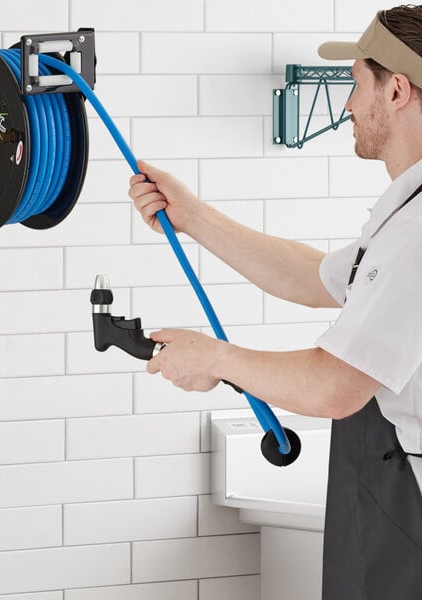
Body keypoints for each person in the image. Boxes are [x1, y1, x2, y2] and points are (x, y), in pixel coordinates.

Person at [129, 5, 422, 600]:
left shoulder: (418, 230)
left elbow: (332, 387)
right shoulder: (404, 217)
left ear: (395, 90)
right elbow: (312, 276)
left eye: (356, 84)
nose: (346, 106)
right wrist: (194, 217)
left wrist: (214, 358)